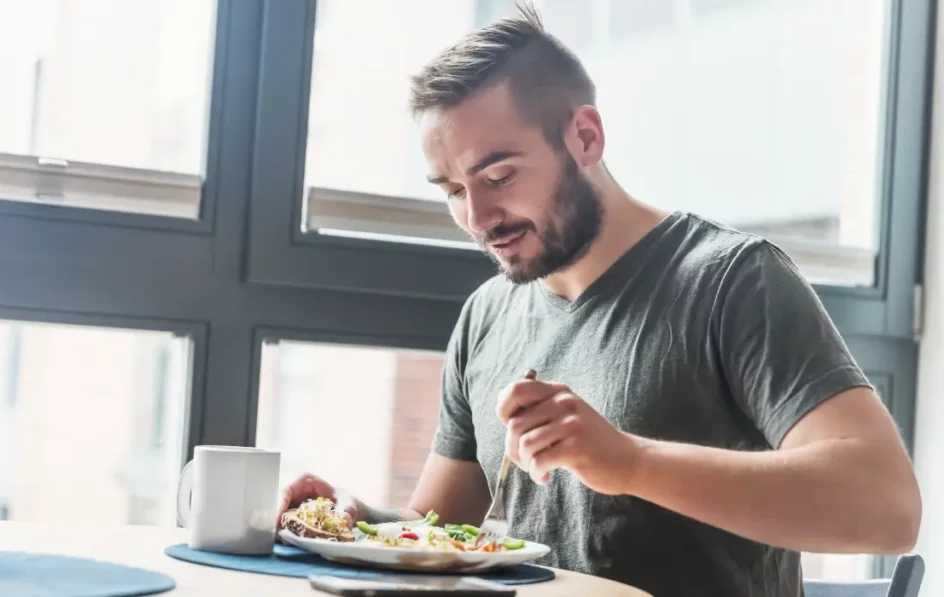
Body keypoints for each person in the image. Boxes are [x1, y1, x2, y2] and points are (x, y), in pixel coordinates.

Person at [277, 5, 921, 595]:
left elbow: (886, 510)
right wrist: (357, 522)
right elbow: (439, 528)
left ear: (585, 137)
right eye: (451, 189)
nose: (476, 217)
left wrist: (630, 461)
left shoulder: (733, 280)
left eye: (499, 176)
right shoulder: (487, 315)